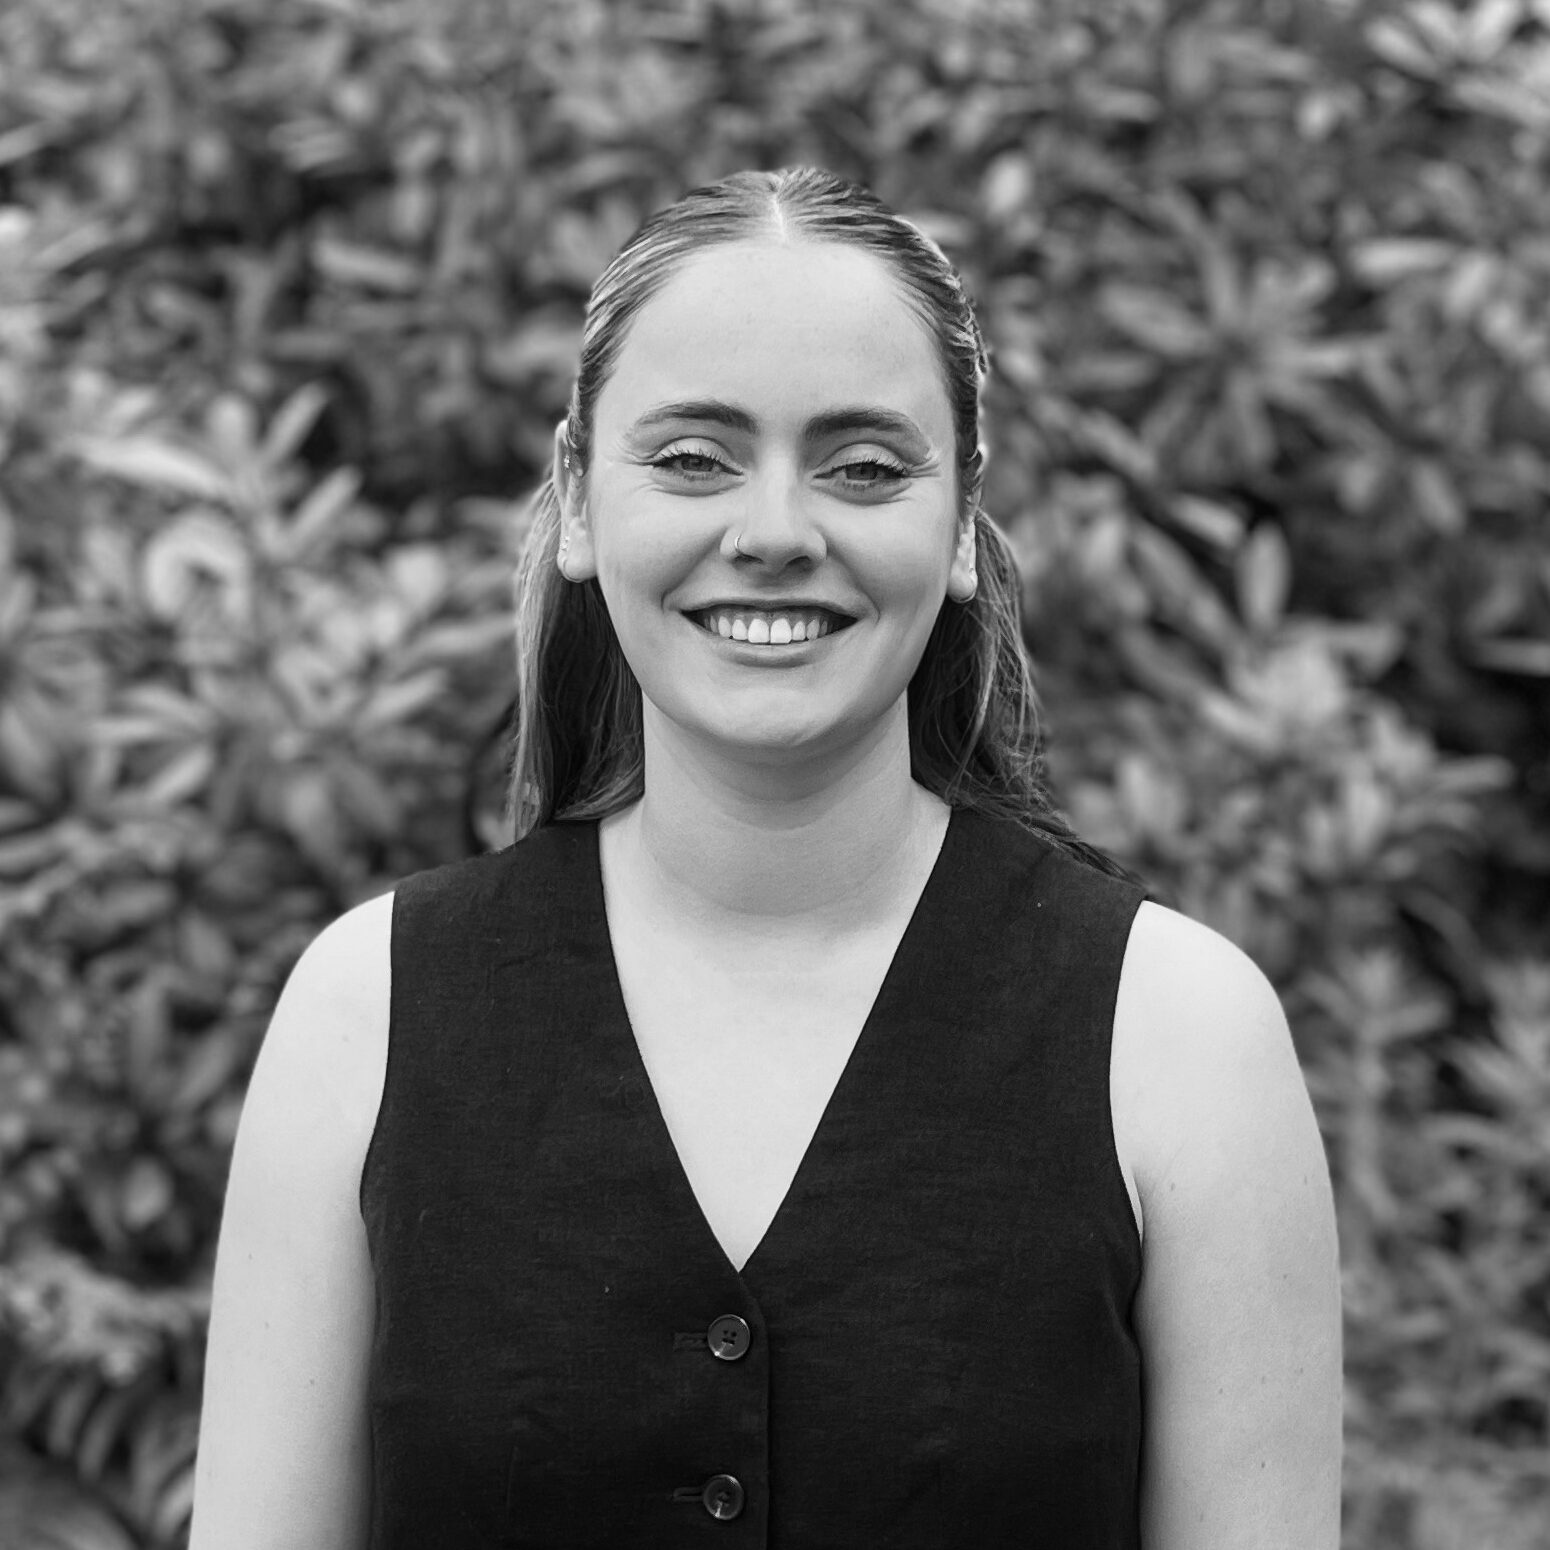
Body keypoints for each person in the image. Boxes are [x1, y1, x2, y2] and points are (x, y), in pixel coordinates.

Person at [189, 168, 1342, 1549]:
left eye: (862, 464)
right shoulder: (363, 1013)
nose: (776, 532)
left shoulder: (1181, 1040)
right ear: (574, 494)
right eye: (692, 458)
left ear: (963, 517)